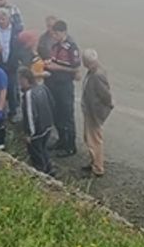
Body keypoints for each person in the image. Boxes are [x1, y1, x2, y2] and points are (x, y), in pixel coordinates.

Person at [44, 20, 81, 156]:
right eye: (53, 34)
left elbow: (75, 68)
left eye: (57, 34)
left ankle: (70, 146)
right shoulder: (55, 45)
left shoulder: (71, 47)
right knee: (56, 114)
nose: (54, 36)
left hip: (64, 86)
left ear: (64, 32)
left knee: (67, 116)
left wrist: (57, 67)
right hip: (53, 83)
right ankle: (61, 140)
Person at [80, 49, 114, 177]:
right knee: (89, 138)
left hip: (94, 113)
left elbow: (105, 95)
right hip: (90, 111)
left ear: (86, 62)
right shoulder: (94, 71)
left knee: (94, 140)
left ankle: (98, 168)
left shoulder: (97, 75)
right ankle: (94, 162)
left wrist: (106, 106)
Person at [19, 66, 56, 176]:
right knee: (43, 149)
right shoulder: (42, 87)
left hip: (37, 131)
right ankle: (49, 169)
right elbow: (52, 103)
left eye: (20, 79)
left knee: (36, 154)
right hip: (47, 126)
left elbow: (30, 116)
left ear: (25, 79)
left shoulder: (29, 95)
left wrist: (29, 134)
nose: (19, 83)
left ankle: (41, 174)